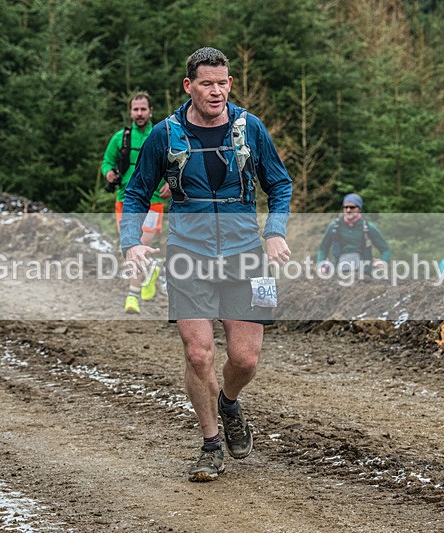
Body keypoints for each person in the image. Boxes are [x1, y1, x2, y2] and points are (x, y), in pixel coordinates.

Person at [120, 47, 292, 481]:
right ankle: (211, 444)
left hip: (247, 255)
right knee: (199, 354)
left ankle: (229, 403)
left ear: (230, 83)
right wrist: (131, 244)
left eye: (222, 83)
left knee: (246, 358)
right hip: (187, 255)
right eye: (206, 84)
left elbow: (281, 184)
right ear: (188, 86)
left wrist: (275, 231)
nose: (216, 92)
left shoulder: (250, 128)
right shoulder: (165, 134)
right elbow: (137, 192)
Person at [100, 91, 171, 314]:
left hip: (153, 200)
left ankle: (132, 296)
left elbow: (175, 163)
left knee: (139, 243)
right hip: (125, 200)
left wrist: (172, 183)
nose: (139, 113)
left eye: (143, 109)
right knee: (132, 245)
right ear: (130, 112)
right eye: (135, 109)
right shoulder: (120, 138)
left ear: (151, 111)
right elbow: (106, 162)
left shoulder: (162, 135)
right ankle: (147, 276)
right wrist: (109, 173)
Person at [316, 193, 390, 274]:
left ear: (359, 209)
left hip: (364, 273)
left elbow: (385, 250)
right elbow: (323, 249)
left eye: (352, 207)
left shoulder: (368, 227)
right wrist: (320, 265)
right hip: (338, 273)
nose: (348, 210)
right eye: (345, 207)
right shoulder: (334, 227)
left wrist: (383, 262)